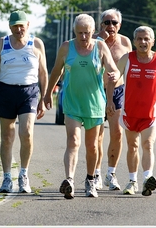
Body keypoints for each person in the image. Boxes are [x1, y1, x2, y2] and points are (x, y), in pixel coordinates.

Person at [43, 14, 120, 199]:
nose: (83, 37)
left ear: (93, 32)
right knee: (73, 141)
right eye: (80, 33)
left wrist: (115, 75)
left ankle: (90, 180)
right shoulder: (66, 47)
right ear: (74, 32)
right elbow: (56, 71)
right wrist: (46, 94)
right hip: (72, 102)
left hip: (94, 104)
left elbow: (113, 68)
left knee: (92, 146)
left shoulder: (100, 47)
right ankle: (69, 180)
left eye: (87, 33)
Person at [0, 10, 48, 193]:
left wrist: (44, 98)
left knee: (27, 132)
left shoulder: (36, 43)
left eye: (22, 25)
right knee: (7, 136)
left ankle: (23, 174)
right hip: (6, 90)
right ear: (10, 27)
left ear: (28, 25)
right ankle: (6, 178)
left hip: (29, 91)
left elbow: (43, 73)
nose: (19, 29)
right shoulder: (2, 44)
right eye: (15, 26)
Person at [107, 26, 156, 196]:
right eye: (140, 39)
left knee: (148, 144)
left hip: (150, 114)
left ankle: (147, 179)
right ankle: (132, 181)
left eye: (146, 39)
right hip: (130, 113)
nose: (143, 42)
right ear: (134, 41)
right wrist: (109, 101)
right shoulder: (126, 59)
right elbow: (113, 79)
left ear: (152, 41)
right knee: (133, 146)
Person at [92, 8, 132, 191]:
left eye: (114, 22)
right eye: (106, 22)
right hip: (97, 92)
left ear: (120, 24)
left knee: (117, 132)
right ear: (101, 24)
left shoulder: (125, 42)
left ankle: (111, 173)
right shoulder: (94, 41)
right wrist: (100, 40)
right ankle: (97, 174)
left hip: (119, 92)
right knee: (98, 135)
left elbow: (131, 69)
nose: (110, 26)